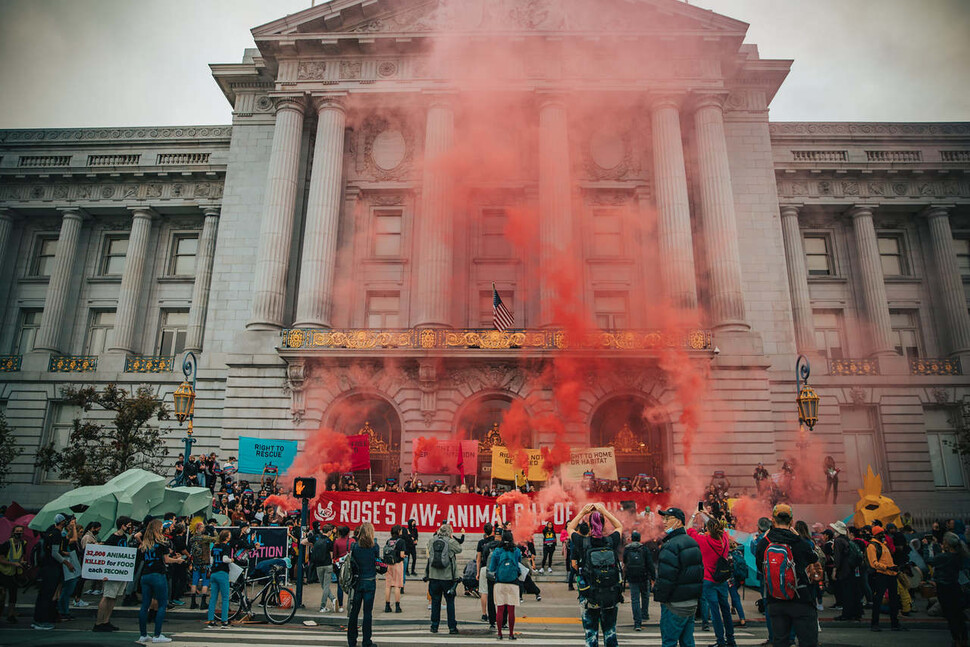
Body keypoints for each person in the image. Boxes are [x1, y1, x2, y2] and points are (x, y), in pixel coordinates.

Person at [754, 504, 820, 647]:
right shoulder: (799, 542)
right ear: (791, 521)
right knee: (808, 641)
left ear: (773, 520)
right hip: (801, 599)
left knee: (780, 641)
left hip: (775, 599)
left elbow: (761, 568)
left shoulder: (764, 543)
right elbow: (814, 558)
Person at [567, 502, 624, 647]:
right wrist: (604, 511)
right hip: (610, 594)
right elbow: (619, 526)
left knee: (590, 634)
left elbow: (570, 527)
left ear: (590, 525)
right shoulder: (611, 541)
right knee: (610, 632)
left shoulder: (583, 542)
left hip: (589, 595)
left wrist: (582, 512)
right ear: (604, 524)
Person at [654, 507, 703, 647]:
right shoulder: (692, 542)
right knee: (687, 641)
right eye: (664, 518)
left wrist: (661, 597)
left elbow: (666, 578)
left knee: (669, 642)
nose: (664, 522)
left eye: (668, 519)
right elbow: (699, 573)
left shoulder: (670, 546)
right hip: (691, 604)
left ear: (679, 522)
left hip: (674, 605)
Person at [687, 514, 735, 647]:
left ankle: (720, 641)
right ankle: (731, 639)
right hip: (722, 580)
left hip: (708, 580)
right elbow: (720, 526)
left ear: (708, 529)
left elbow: (688, 529)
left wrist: (695, 514)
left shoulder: (704, 541)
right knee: (725, 609)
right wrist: (708, 515)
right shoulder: (724, 538)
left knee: (715, 612)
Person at [137, 518, 185, 644]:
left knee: (144, 605)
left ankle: (143, 634)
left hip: (145, 574)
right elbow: (167, 560)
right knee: (162, 604)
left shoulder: (145, 544)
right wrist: (178, 561)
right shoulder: (162, 543)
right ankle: (157, 634)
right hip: (158, 574)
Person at [93, 516, 134, 632]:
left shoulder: (125, 537)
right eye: (128, 526)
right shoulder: (112, 538)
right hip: (112, 572)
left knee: (114, 597)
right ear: (123, 526)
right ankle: (99, 622)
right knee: (107, 596)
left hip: (120, 571)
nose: (129, 528)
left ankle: (106, 620)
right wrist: (104, 573)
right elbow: (107, 555)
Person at [929, 532, 968, 646]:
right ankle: (964, 640)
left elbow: (930, 560)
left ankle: (956, 640)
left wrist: (932, 546)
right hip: (955, 588)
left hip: (944, 589)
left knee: (951, 617)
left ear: (947, 544)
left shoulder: (945, 557)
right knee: (959, 615)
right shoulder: (959, 555)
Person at [426, 522, 462, 635]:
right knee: (450, 602)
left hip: (434, 576)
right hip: (447, 577)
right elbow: (459, 549)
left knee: (435, 601)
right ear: (449, 533)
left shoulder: (432, 541)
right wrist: (451, 538)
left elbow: (428, 549)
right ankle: (452, 627)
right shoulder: (450, 542)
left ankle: (434, 626)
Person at [347, 522, 379, 647]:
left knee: (354, 612)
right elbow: (377, 562)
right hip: (370, 580)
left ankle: (351, 640)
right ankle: (366, 640)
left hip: (358, 581)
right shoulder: (374, 547)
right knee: (367, 613)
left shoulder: (354, 547)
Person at [867, 525, 904, 632]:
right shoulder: (872, 546)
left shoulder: (883, 545)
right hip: (881, 575)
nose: (883, 535)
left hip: (891, 574)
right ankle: (875, 624)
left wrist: (893, 568)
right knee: (878, 600)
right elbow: (873, 563)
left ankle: (895, 624)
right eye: (881, 533)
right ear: (876, 535)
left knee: (894, 600)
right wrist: (887, 567)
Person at [488, 530, 521, 640]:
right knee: (511, 610)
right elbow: (518, 564)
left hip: (500, 582)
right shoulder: (516, 550)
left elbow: (492, 568)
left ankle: (499, 633)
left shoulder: (497, 551)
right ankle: (511, 634)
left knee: (500, 609)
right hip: (513, 582)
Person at [622, 530, 656, 631]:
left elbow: (624, 561)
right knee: (645, 596)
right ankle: (644, 614)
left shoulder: (627, 549)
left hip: (632, 577)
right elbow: (650, 564)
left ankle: (637, 622)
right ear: (640, 538)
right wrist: (653, 577)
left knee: (635, 599)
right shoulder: (644, 549)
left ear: (631, 538)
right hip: (643, 576)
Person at [0, 524, 27, 623]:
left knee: (13, 594)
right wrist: (13, 563)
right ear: (13, 533)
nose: (19, 533)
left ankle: (11, 614)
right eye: (17, 531)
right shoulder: (6, 544)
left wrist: (22, 562)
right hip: (3, 572)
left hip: (14, 573)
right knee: (2, 595)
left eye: (20, 531)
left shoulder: (23, 544)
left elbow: (21, 556)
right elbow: (1, 559)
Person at [206, 530, 233, 629]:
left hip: (214, 572)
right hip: (222, 572)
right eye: (229, 535)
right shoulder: (226, 546)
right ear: (226, 537)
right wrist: (231, 560)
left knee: (213, 598)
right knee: (225, 598)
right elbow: (225, 559)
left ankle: (210, 620)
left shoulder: (215, 546)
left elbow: (211, 560)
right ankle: (224, 620)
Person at [188, 521, 217, 609]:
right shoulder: (204, 538)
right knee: (205, 582)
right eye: (203, 527)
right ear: (199, 528)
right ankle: (203, 603)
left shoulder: (192, 538)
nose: (204, 528)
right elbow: (217, 539)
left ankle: (193, 603)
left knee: (194, 582)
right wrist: (214, 531)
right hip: (205, 563)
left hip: (196, 563)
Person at [309, 524, 337, 613]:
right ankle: (323, 606)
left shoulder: (316, 538)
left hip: (318, 565)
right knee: (326, 586)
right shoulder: (329, 541)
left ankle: (332, 599)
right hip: (327, 565)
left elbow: (303, 542)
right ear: (329, 532)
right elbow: (331, 555)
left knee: (323, 585)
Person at [478, 523, 500, 627]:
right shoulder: (495, 542)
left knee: (484, 592)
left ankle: (484, 613)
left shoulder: (481, 543)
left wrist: (477, 572)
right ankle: (498, 617)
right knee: (496, 593)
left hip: (484, 568)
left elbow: (479, 558)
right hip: (495, 569)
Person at [383, 525, 406, 613]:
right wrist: (404, 556)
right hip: (397, 564)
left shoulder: (389, 541)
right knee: (397, 586)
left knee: (388, 586)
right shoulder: (401, 541)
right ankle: (397, 606)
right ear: (399, 531)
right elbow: (401, 555)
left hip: (388, 564)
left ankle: (387, 606)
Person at [333, 525, 355, 613]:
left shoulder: (337, 542)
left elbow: (335, 555)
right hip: (350, 565)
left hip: (340, 565)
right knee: (351, 584)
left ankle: (341, 605)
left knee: (340, 585)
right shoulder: (352, 541)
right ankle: (351, 602)